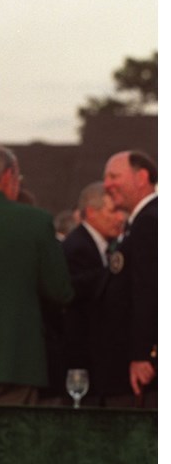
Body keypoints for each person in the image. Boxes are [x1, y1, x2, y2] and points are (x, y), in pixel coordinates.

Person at [0, 145, 73, 406]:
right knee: (15, 440)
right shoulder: (36, 221)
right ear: (9, 175)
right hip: (20, 358)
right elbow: (60, 291)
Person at [62, 181, 130, 406]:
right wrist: (114, 270)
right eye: (114, 211)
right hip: (84, 364)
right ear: (91, 212)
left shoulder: (103, 245)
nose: (121, 218)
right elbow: (75, 291)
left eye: (123, 211)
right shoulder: (77, 247)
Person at [102, 150, 158, 407]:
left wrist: (143, 354)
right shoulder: (144, 221)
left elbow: (149, 291)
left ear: (142, 177)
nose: (107, 184)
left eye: (114, 176)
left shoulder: (149, 221)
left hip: (148, 368)